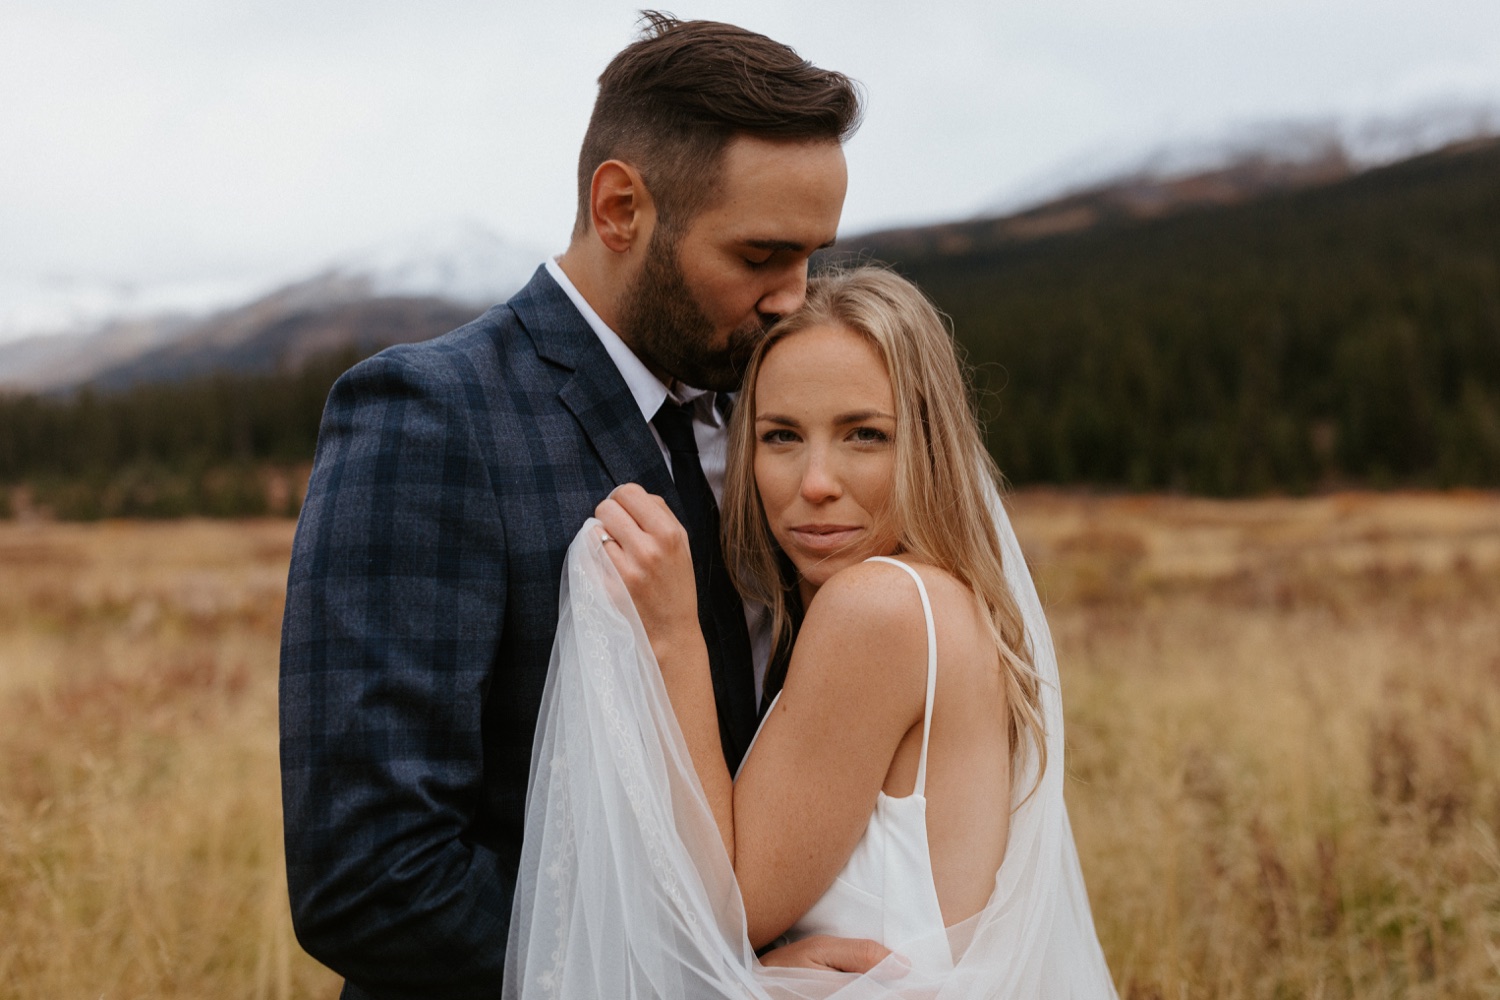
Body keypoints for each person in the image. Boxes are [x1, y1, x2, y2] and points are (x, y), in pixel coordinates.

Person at [280, 14, 883, 999]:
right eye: (762, 254)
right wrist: (701, 978)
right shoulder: (433, 416)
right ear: (620, 208)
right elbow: (373, 876)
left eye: (813, 255)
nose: (794, 298)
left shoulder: (775, 418)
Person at [504, 267, 1119, 997]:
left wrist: (673, 634)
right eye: (782, 436)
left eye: (864, 435)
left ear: (927, 444)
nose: (817, 480)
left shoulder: (879, 608)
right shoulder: (946, 598)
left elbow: (728, 907)